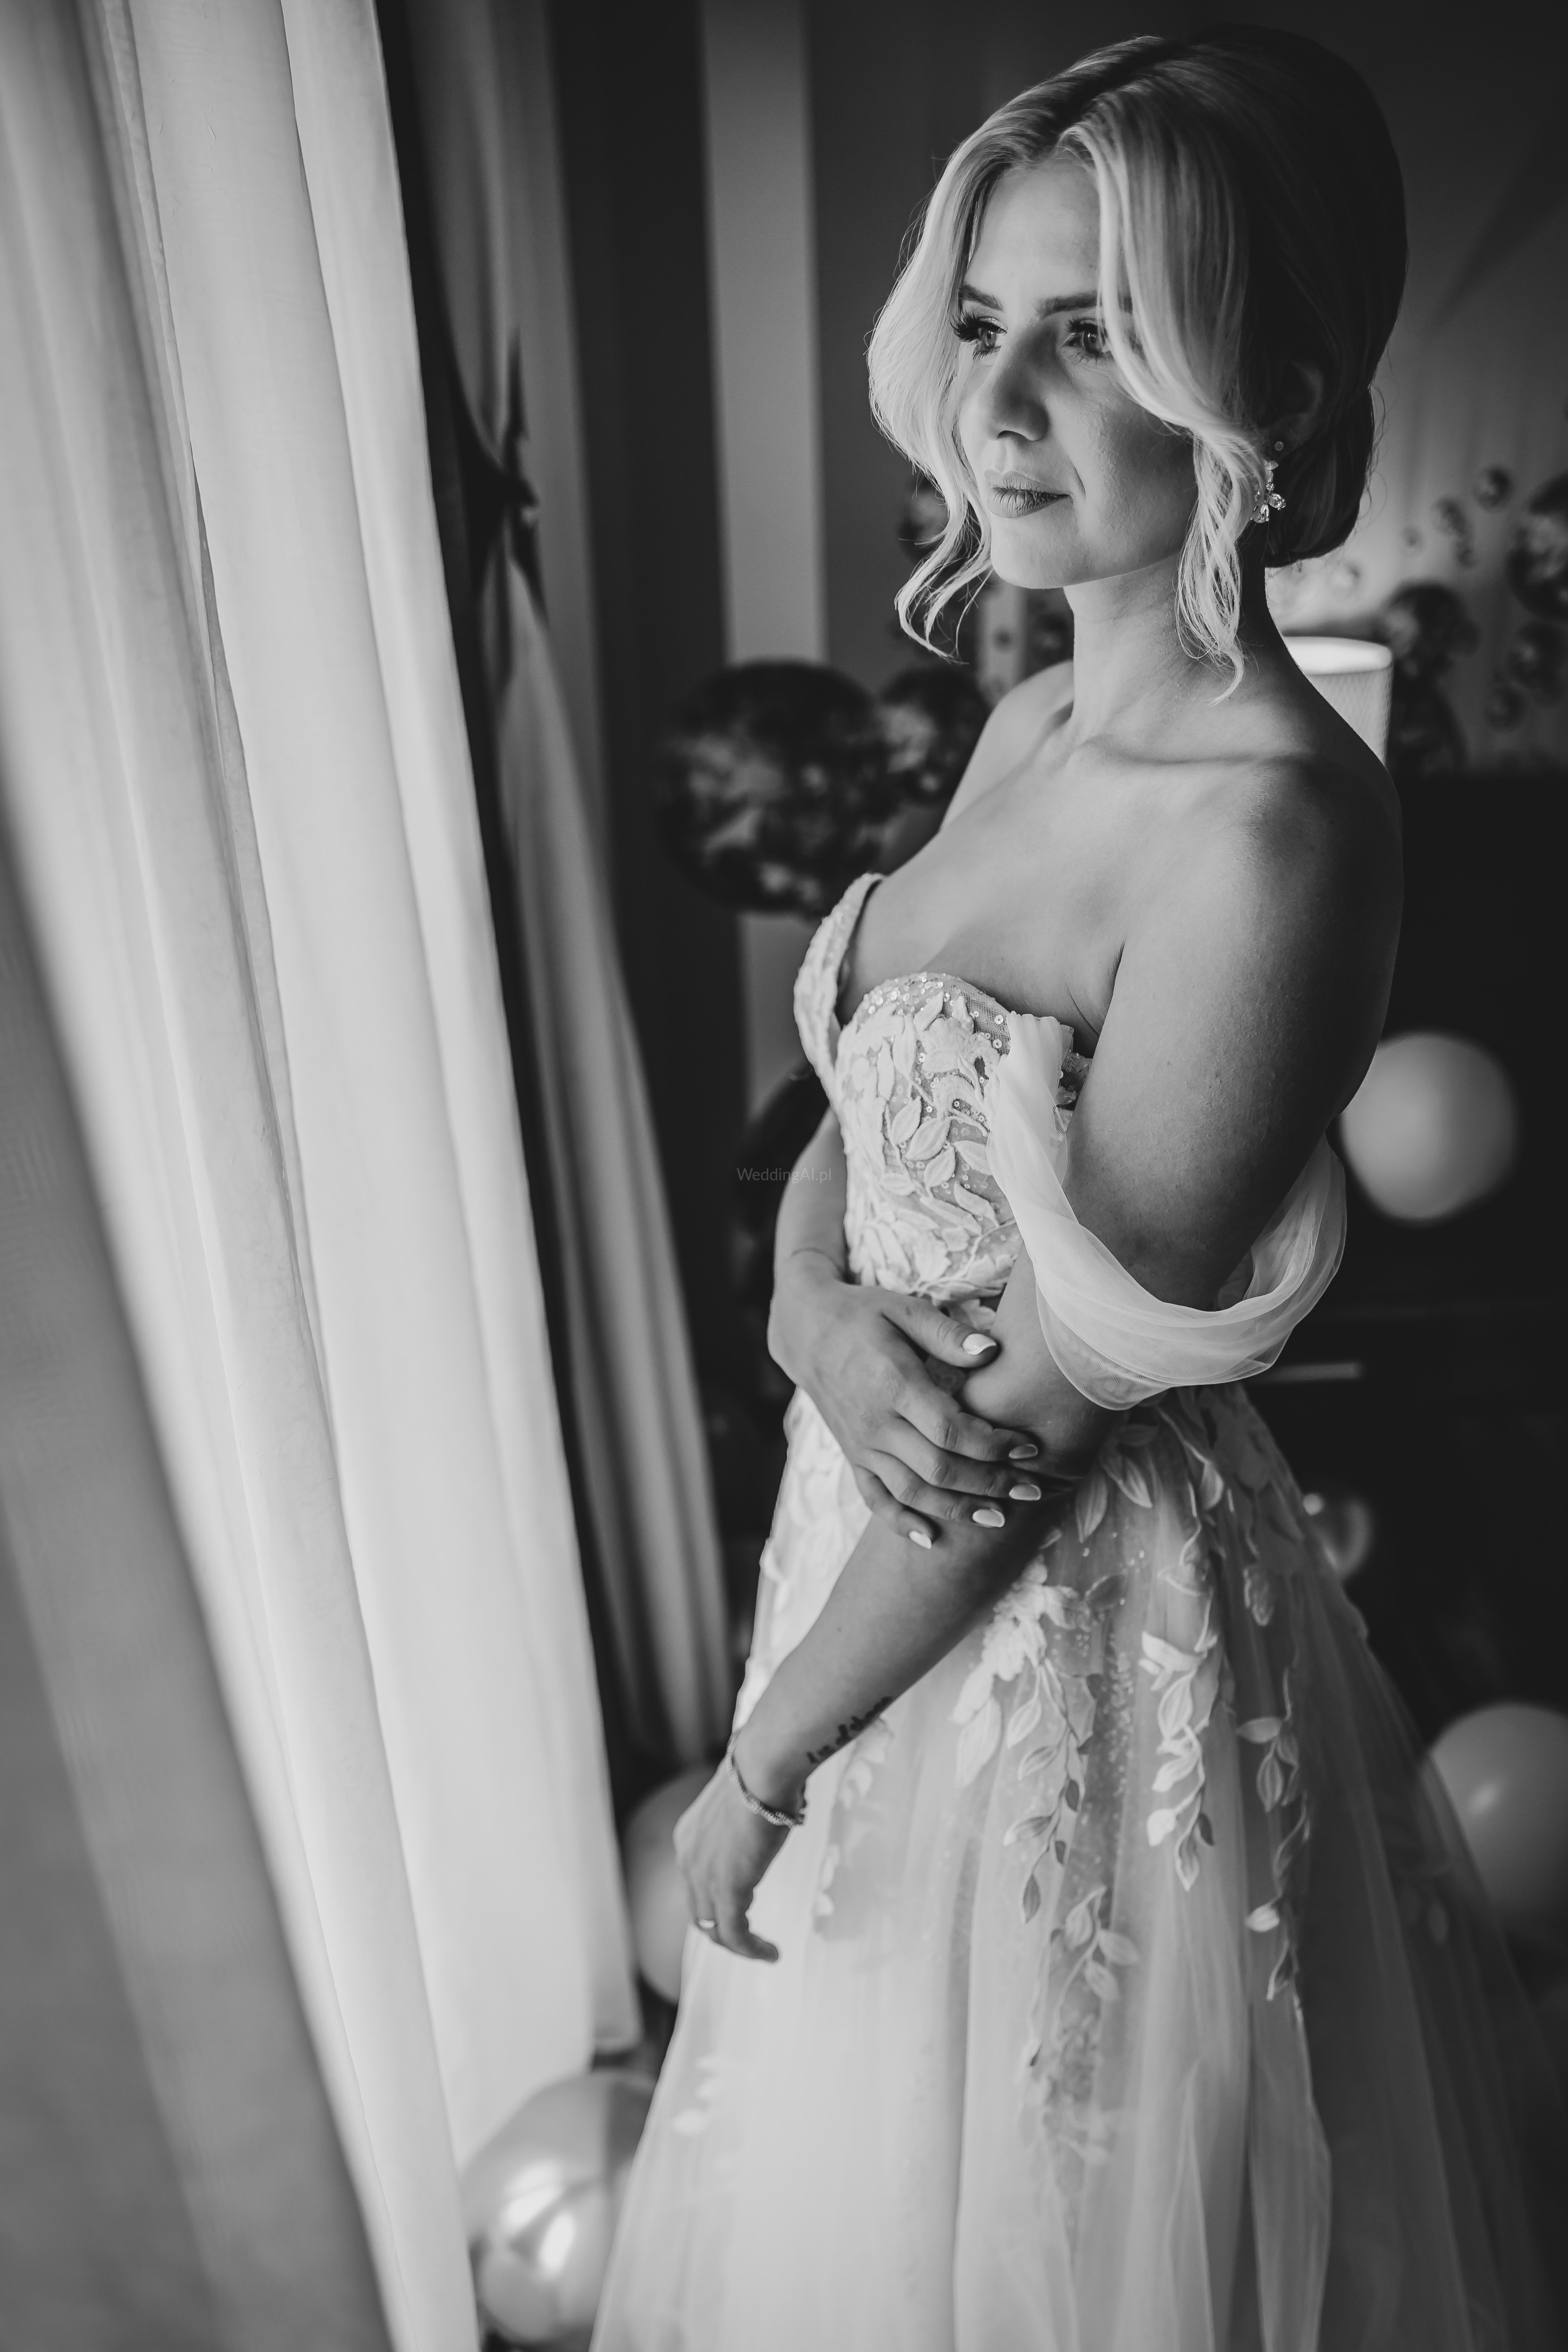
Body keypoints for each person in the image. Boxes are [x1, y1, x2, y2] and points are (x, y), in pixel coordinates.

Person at [593, 29, 1562, 2350]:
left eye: (1095, 331)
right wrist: (810, 1312)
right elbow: (863, 1103)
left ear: (1267, 394)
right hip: (869, 1542)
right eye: (981, 321)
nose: (999, 399)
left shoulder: (1274, 832)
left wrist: (766, 1758)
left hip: (1070, 1631)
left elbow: (1032, 1420)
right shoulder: (1030, 720)